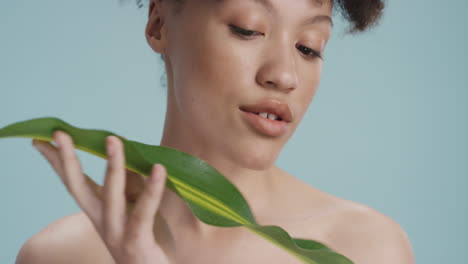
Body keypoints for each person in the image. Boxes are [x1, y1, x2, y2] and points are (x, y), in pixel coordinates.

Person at [15, 0, 415, 263]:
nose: (284, 75)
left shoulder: (364, 247)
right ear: (159, 24)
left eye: (309, 47)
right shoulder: (58, 255)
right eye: (248, 29)